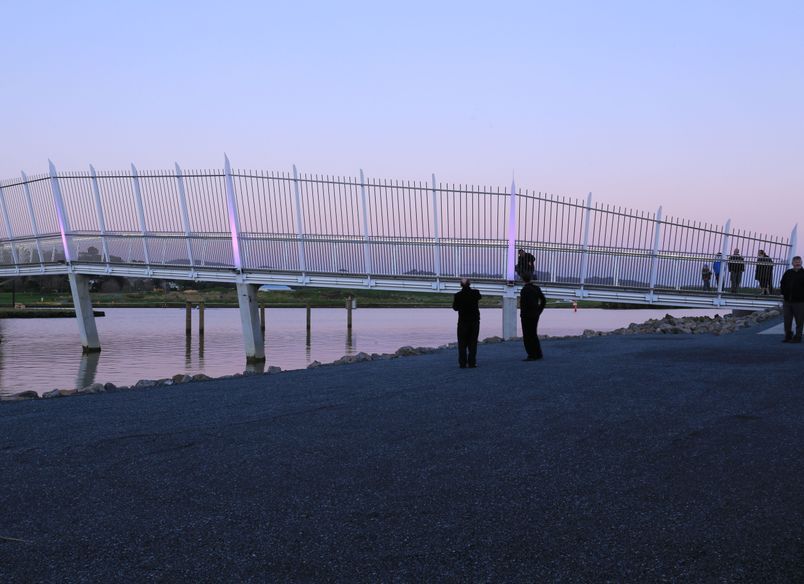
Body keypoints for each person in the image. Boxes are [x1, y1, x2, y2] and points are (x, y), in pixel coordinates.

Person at [452, 278, 481, 367]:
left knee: (462, 343)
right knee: (473, 342)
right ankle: (472, 362)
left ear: (460, 285)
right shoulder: (476, 293)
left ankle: (462, 363)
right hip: (474, 321)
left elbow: (455, 308)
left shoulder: (457, 295)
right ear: (469, 284)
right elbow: (479, 297)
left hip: (463, 322)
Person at [519, 272, 546, 361]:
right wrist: (539, 310)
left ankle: (531, 354)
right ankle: (538, 353)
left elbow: (523, 304)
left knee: (527, 335)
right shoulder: (536, 288)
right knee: (533, 334)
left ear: (522, 279)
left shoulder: (524, 290)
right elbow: (543, 300)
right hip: (535, 314)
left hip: (526, 315)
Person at [780, 255, 804, 343]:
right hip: (787, 301)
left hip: (800, 302)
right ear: (792, 263)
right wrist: (782, 293)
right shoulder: (788, 273)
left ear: (801, 263)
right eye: (796, 262)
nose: (797, 263)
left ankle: (798, 337)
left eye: (799, 261)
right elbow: (782, 283)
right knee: (787, 320)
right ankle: (788, 336)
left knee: (799, 321)